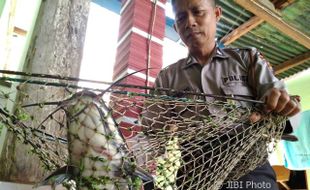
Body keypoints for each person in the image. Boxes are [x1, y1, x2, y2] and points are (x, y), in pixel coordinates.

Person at [145, 0, 301, 189]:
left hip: (249, 171)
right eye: (180, 17)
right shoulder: (167, 78)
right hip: (194, 175)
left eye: (198, 12)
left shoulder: (247, 59)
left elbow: (290, 115)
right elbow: (150, 134)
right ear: (176, 27)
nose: (190, 22)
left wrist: (284, 108)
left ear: (217, 14)